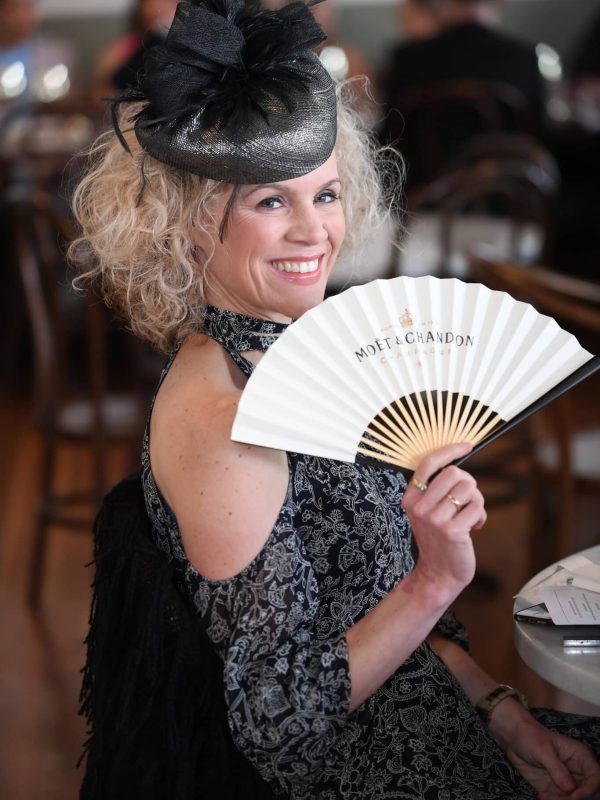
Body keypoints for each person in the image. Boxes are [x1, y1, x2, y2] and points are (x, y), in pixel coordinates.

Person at [70, 1, 600, 798]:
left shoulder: (298, 357)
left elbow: (362, 599)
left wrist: (504, 709)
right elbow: (277, 721)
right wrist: (433, 581)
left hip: (439, 712)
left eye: (325, 195)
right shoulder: (228, 424)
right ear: (187, 228)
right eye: (271, 202)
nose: (314, 232)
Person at [379, 0, 547, 188]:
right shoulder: (524, 60)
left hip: (421, 203)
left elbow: (389, 142)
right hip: (508, 205)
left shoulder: (407, 59)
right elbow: (539, 143)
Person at [90, 0, 179, 109]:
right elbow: (99, 87)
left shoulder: (185, 47)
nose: (159, 8)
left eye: (167, 2)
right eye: (152, 3)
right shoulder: (127, 45)